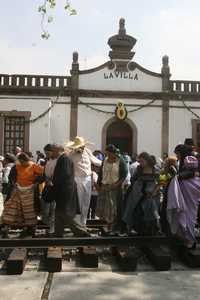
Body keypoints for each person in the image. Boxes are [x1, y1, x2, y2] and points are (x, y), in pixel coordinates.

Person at [50, 144, 90, 237]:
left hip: (65, 190)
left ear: (59, 150)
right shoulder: (63, 158)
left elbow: (65, 174)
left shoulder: (65, 159)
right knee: (59, 211)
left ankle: (80, 231)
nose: (52, 152)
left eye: (53, 150)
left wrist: (54, 181)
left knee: (65, 212)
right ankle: (58, 232)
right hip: (63, 190)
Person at [2, 152, 43, 237]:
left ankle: (31, 228)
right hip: (18, 190)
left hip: (30, 192)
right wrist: (14, 184)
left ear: (27, 160)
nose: (22, 164)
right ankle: (10, 225)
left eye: (23, 162)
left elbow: (42, 175)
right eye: (20, 162)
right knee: (13, 208)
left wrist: (35, 184)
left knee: (29, 210)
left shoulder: (34, 166)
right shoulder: (17, 166)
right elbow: (11, 177)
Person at [167, 145, 200, 249]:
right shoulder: (184, 159)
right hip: (186, 188)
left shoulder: (189, 158)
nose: (177, 155)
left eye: (177, 153)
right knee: (184, 213)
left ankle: (190, 240)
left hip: (190, 188)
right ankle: (186, 238)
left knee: (189, 214)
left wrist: (177, 176)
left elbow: (192, 172)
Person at [123, 152, 161, 235]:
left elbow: (160, 182)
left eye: (142, 161)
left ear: (147, 160)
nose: (141, 163)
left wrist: (154, 191)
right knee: (136, 209)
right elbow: (133, 179)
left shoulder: (155, 169)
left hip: (151, 193)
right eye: (139, 161)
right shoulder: (139, 169)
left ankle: (151, 230)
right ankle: (138, 229)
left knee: (151, 211)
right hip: (139, 192)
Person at [67, 136, 102, 225]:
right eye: (80, 147)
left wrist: (106, 162)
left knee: (86, 202)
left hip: (87, 179)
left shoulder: (87, 151)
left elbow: (96, 161)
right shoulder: (71, 154)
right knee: (78, 202)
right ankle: (77, 223)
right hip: (77, 179)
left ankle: (83, 223)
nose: (82, 148)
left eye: (82, 146)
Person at [97, 144, 128, 233]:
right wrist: (99, 184)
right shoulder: (105, 160)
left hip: (115, 188)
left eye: (109, 153)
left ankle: (114, 226)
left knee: (113, 207)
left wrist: (117, 184)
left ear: (113, 153)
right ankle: (108, 225)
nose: (108, 155)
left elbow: (124, 174)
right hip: (105, 186)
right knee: (105, 208)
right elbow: (101, 173)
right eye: (106, 154)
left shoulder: (120, 161)